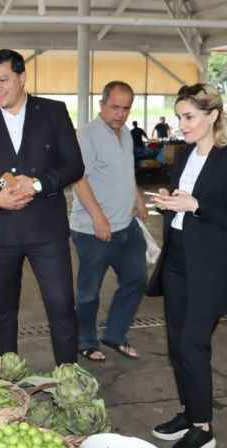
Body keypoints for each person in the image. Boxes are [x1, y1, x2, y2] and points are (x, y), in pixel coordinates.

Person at [148, 83, 227, 448]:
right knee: (177, 343)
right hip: (178, 256)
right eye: (180, 117)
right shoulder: (183, 156)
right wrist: (171, 203)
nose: (182, 125)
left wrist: (195, 206)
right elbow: (186, 202)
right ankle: (189, 411)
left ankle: (203, 428)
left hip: (212, 265)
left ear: (213, 116)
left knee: (194, 343)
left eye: (189, 117)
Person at [0, 49, 84, 363]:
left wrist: (38, 184)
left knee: (61, 305)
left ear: (22, 77)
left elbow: (74, 165)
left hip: (47, 231)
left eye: (3, 79)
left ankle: (69, 377)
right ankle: (7, 375)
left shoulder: (53, 112)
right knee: (2, 309)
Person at [71, 81, 148, 362]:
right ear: (101, 105)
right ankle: (86, 341)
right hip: (92, 230)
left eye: (126, 108)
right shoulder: (87, 135)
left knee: (137, 279)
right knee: (89, 291)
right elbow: (79, 179)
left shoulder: (125, 133)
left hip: (126, 226)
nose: (120, 114)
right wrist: (98, 217)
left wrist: (137, 198)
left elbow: (127, 171)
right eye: (115, 107)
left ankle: (115, 334)